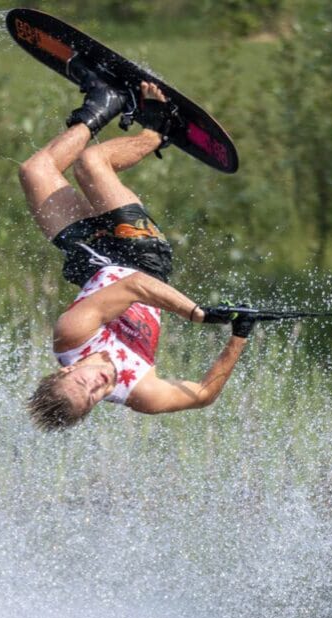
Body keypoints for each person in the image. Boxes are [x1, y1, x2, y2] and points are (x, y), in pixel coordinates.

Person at [19, 60, 257, 431]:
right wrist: (240, 335)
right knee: (92, 163)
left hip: (93, 261)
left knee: (34, 171)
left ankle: (105, 100)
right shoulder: (139, 392)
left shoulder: (71, 335)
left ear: (68, 368)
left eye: (84, 383)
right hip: (143, 257)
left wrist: (196, 314)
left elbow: (130, 290)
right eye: (94, 398)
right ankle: (158, 129)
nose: (98, 386)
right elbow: (202, 394)